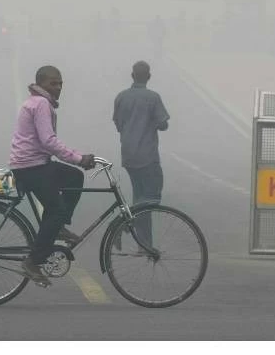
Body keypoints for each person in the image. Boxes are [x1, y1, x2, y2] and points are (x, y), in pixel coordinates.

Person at [9, 65, 97, 285]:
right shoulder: (40, 104)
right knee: (56, 210)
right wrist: (79, 158)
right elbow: (48, 141)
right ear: (41, 84)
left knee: (74, 178)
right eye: (53, 83)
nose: (58, 87)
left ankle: (58, 228)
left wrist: (76, 160)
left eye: (60, 83)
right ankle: (33, 261)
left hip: (34, 163)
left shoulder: (37, 102)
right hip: (31, 167)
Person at [112, 61, 170, 249]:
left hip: (128, 154)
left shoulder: (121, 97)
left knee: (140, 197)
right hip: (147, 155)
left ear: (132, 75)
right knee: (152, 197)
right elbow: (163, 124)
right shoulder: (153, 98)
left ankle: (144, 244)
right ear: (149, 76)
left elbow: (118, 123)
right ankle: (124, 225)